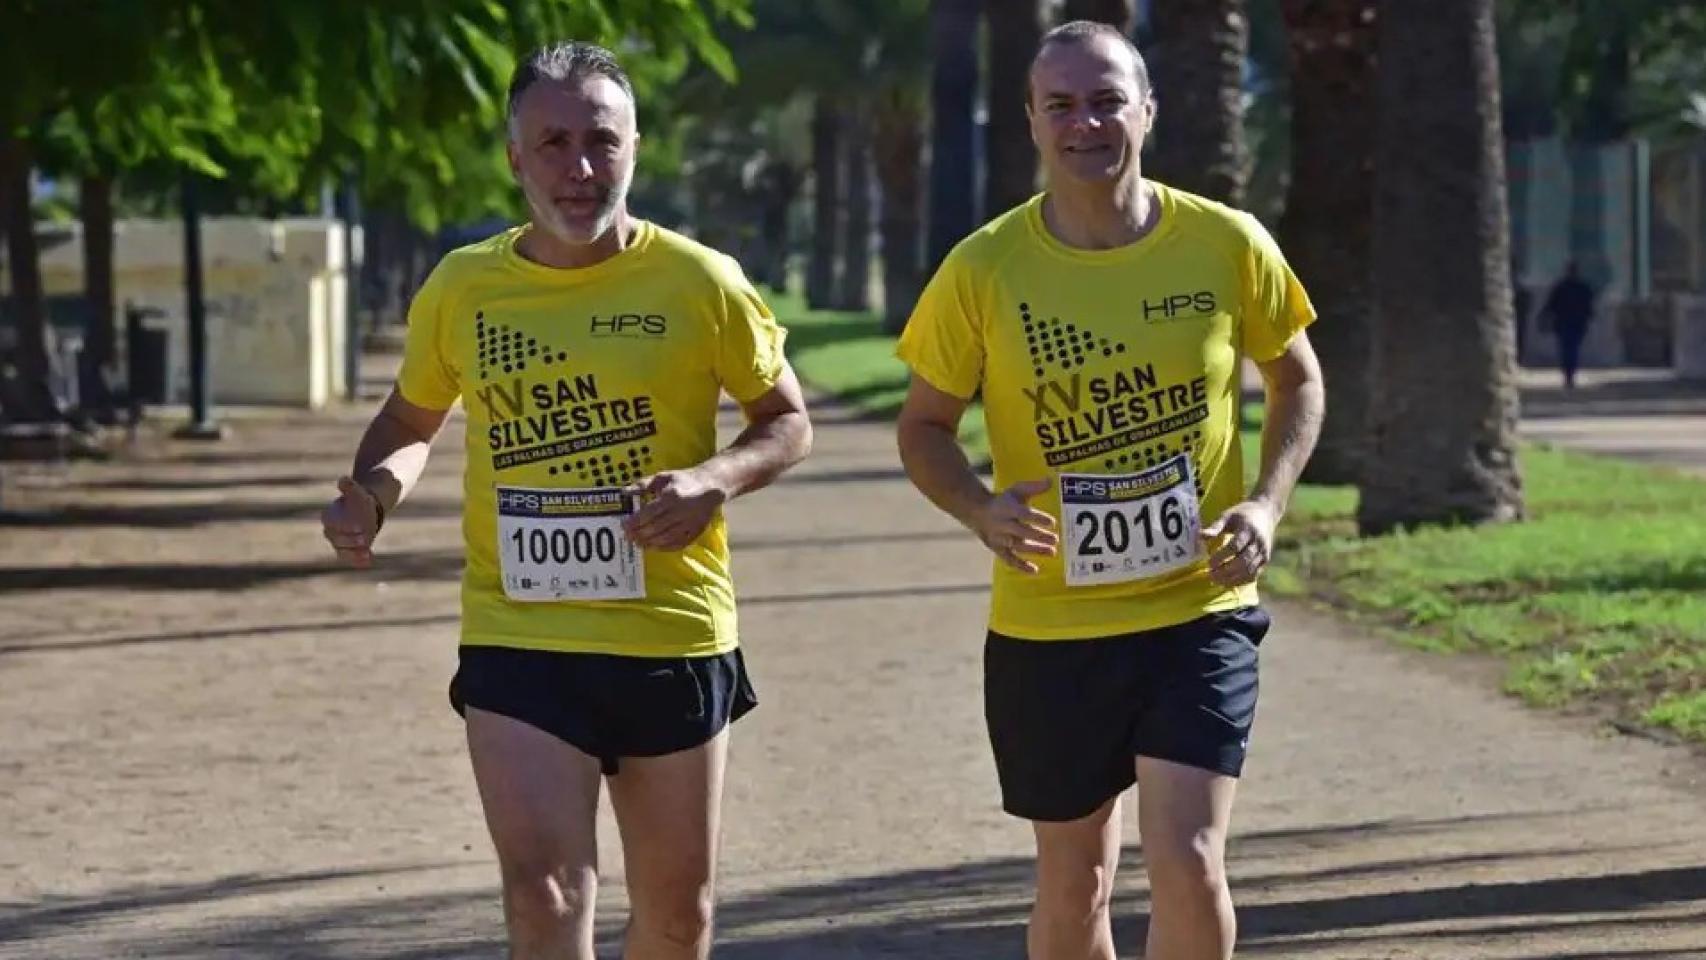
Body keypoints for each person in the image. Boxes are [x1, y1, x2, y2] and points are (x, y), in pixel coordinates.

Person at [319, 41, 812, 960]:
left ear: (636, 148)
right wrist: (372, 496)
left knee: (678, 918)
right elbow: (412, 418)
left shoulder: (702, 281)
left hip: (668, 626)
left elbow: (786, 420)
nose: (579, 169)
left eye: (601, 141)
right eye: (552, 143)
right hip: (521, 631)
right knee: (545, 893)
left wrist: (713, 479)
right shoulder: (465, 288)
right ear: (514, 156)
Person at [895, 21, 1323, 960]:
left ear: (1147, 112)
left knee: (1189, 857)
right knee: (1075, 880)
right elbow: (922, 428)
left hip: (1197, 608)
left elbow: (1297, 379)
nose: (1086, 123)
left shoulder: (1226, 243)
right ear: (1033, 123)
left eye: (1106, 101)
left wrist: (1266, 503)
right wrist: (979, 508)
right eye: (1063, 106)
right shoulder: (984, 268)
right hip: (1050, 627)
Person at [1541, 260, 1595, 389]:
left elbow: (1551, 304)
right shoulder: (1582, 287)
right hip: (1576, 322)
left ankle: (1568, 373)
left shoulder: (1561, 287)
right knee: (1573, 348)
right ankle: (1570, 373)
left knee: (1566, 348)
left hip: (1564, 322)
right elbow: (1589, 305)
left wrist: (1545, 316)